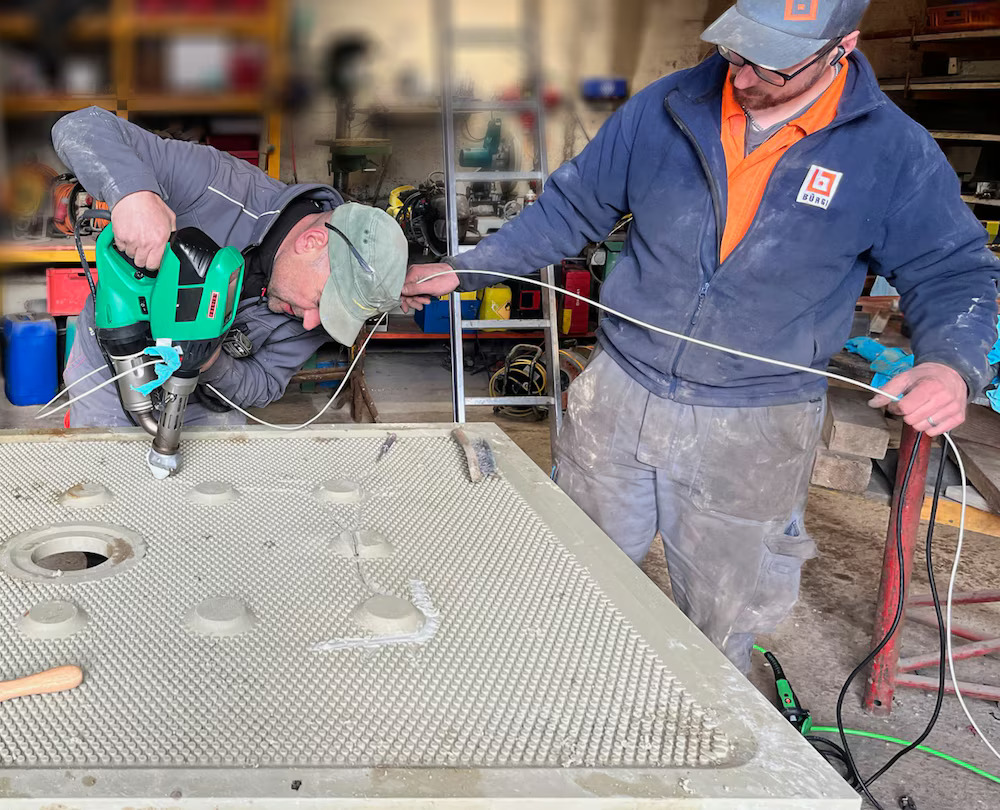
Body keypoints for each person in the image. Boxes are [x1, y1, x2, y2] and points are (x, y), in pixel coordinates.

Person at [402, 0, 1000, 671]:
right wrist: (467, 270)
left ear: (843, 46)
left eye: (769, 64)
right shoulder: (668, 106)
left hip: (755, 422)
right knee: (576, 576)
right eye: (736, 52)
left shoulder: (892, 153)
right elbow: (571, 209)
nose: (741, 78)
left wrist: (951, 364)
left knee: (722, 617)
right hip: (621, 392)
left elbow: (953, 273)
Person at [51, 107, 407, 427]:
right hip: (110, 371)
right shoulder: (218, 183)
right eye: (320, 302)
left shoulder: (313, 314)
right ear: (311, 243)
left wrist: (210, 361)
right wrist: (133, 195)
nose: (314, 323)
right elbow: (80, 126)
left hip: (202, 404)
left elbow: (264, 384)